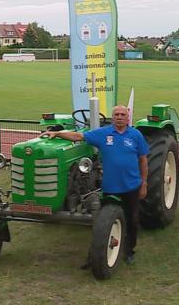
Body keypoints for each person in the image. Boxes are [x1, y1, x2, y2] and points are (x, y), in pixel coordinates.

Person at [43, 105, 148, 265]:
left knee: (132, 221)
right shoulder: (103, 134)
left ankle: (129, 252)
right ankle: (95, 256)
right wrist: (57, 133)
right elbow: (78, 136)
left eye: (122, 114)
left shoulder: (136, 135)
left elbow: (143, 160)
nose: (119, 117)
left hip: (131, 186)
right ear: (112, 118)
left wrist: (144, 183)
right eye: (116, 114)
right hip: (110, 187)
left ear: (127, 118)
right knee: (101, 223)